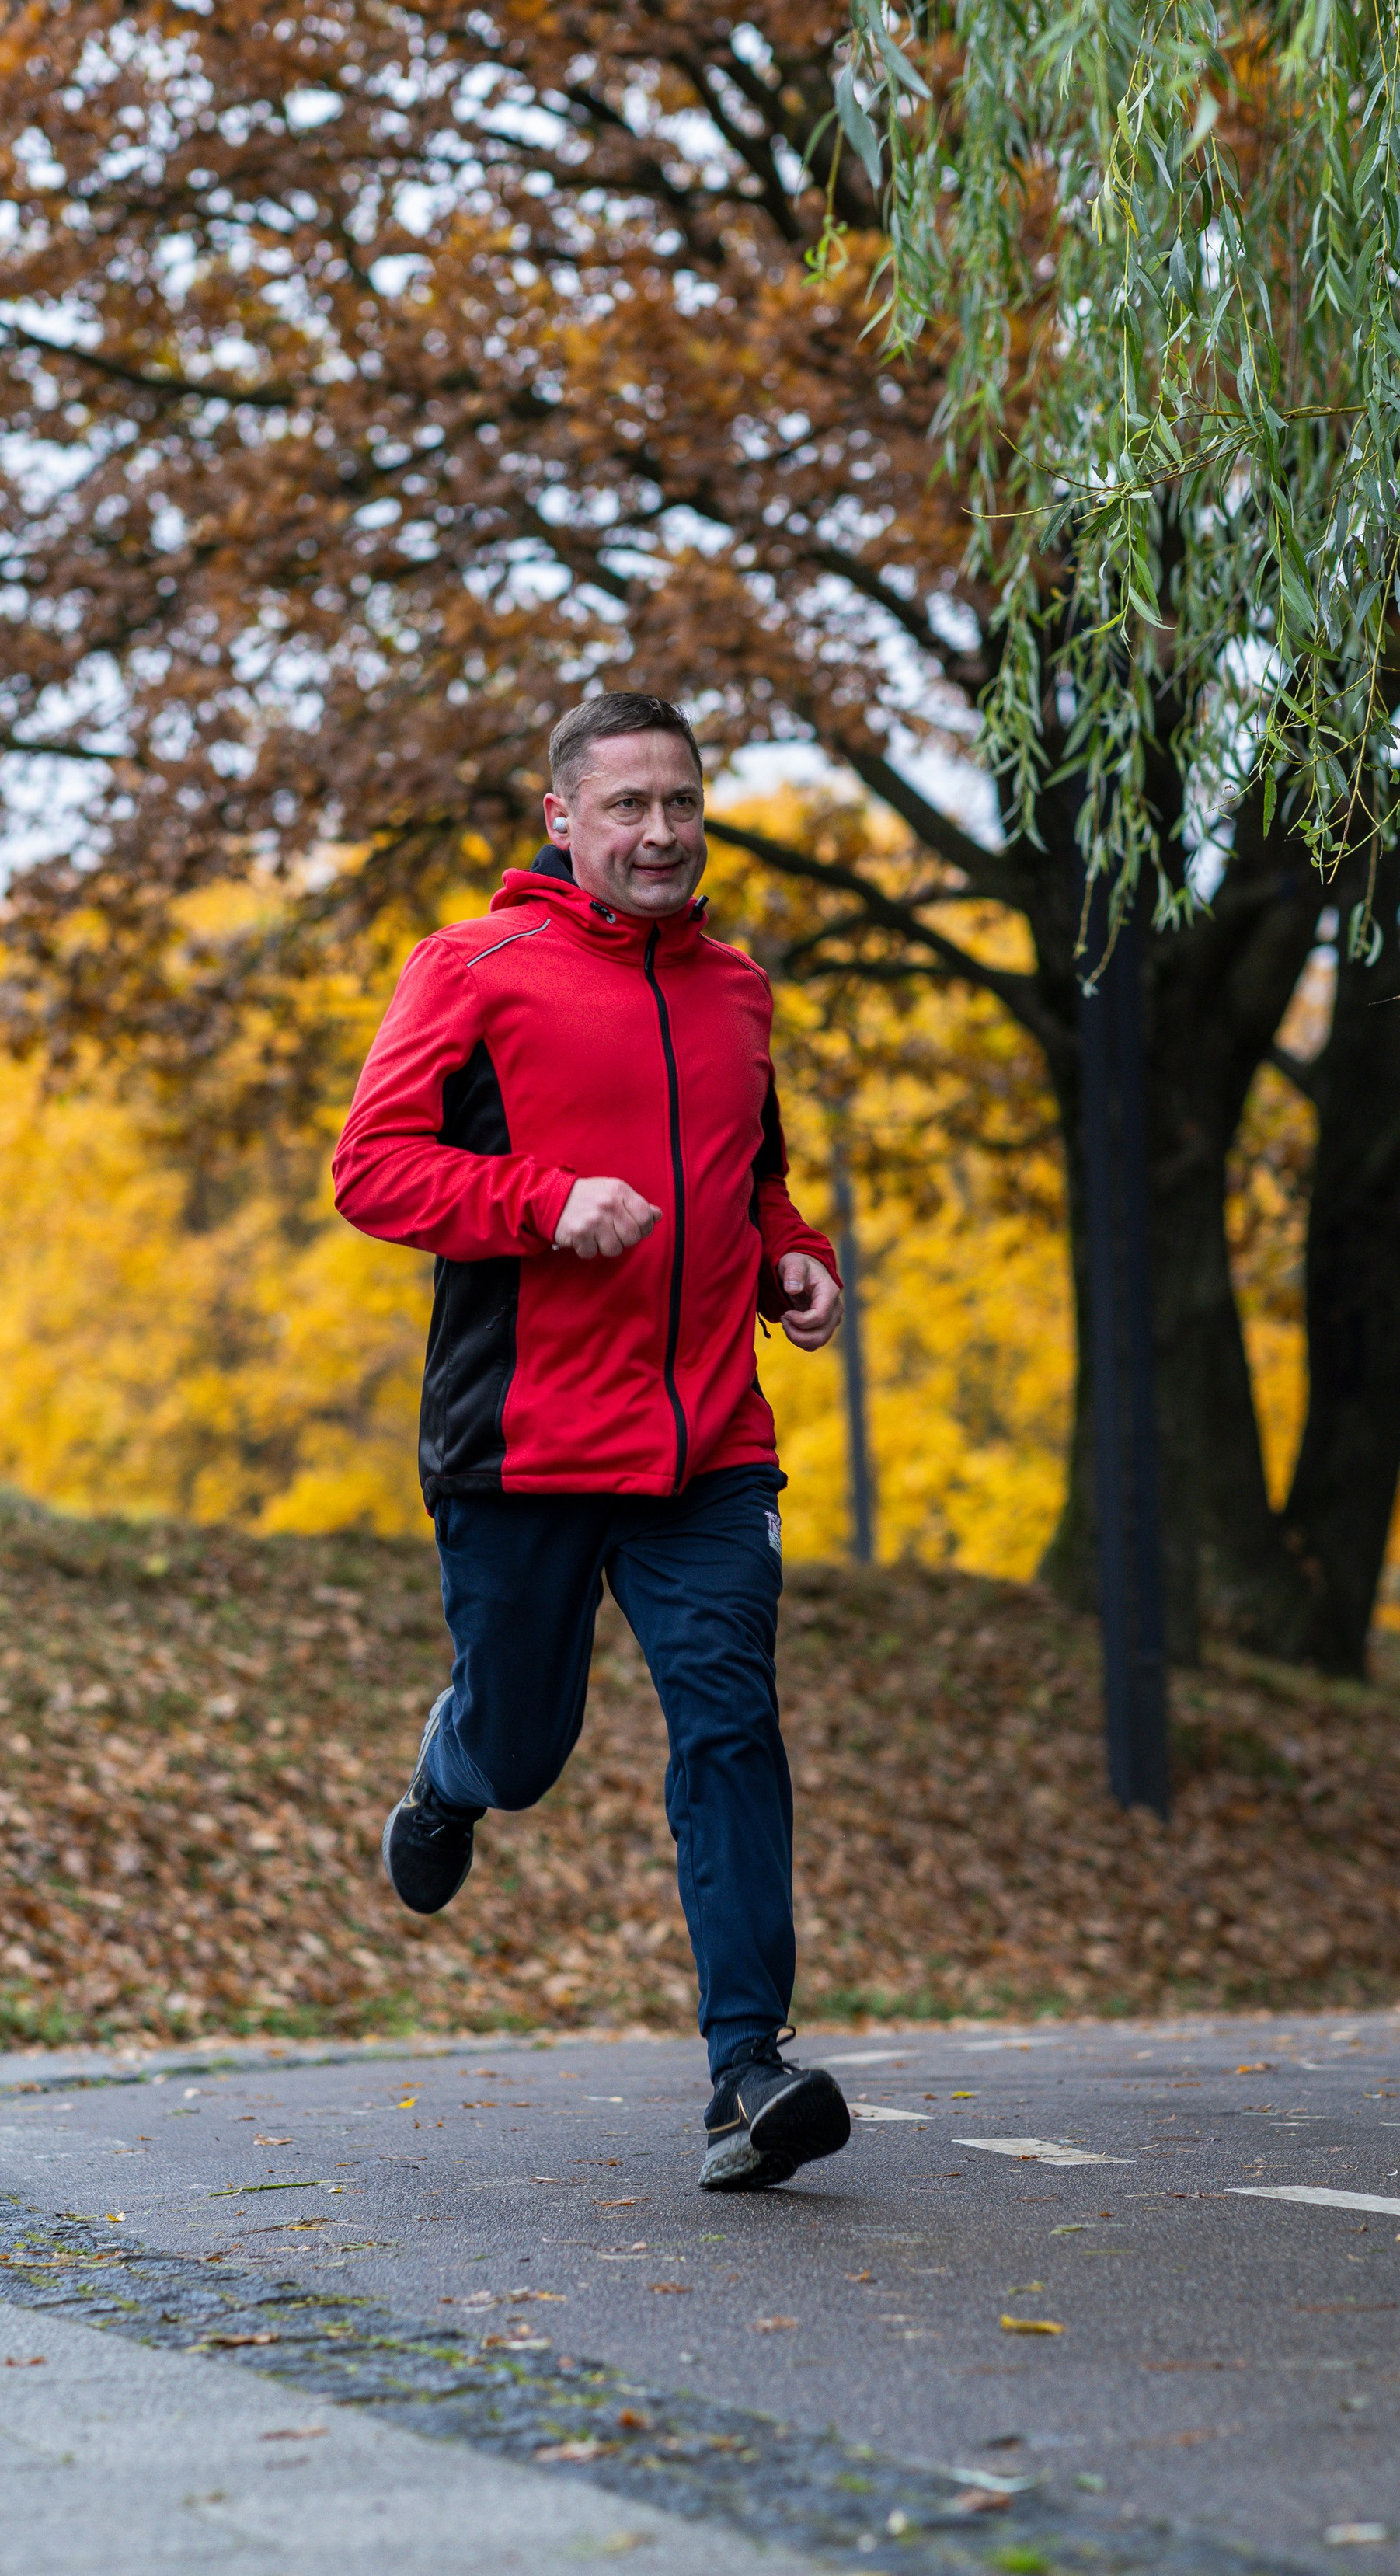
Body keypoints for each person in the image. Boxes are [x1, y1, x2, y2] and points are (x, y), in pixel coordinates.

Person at [332, 691, 851, 2191]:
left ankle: (748, 2071)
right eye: (628, 805)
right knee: (526, 1746)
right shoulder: (471, 967)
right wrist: (545, 1202)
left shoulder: (737, 989)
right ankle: (452, 1767)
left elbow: (752, 1175)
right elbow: (373, 1170)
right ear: (562, 819)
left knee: (731, 1724)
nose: (661, 831)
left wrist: (792, 1257)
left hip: (706, 1447)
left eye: (682, 802)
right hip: (524, 1442)